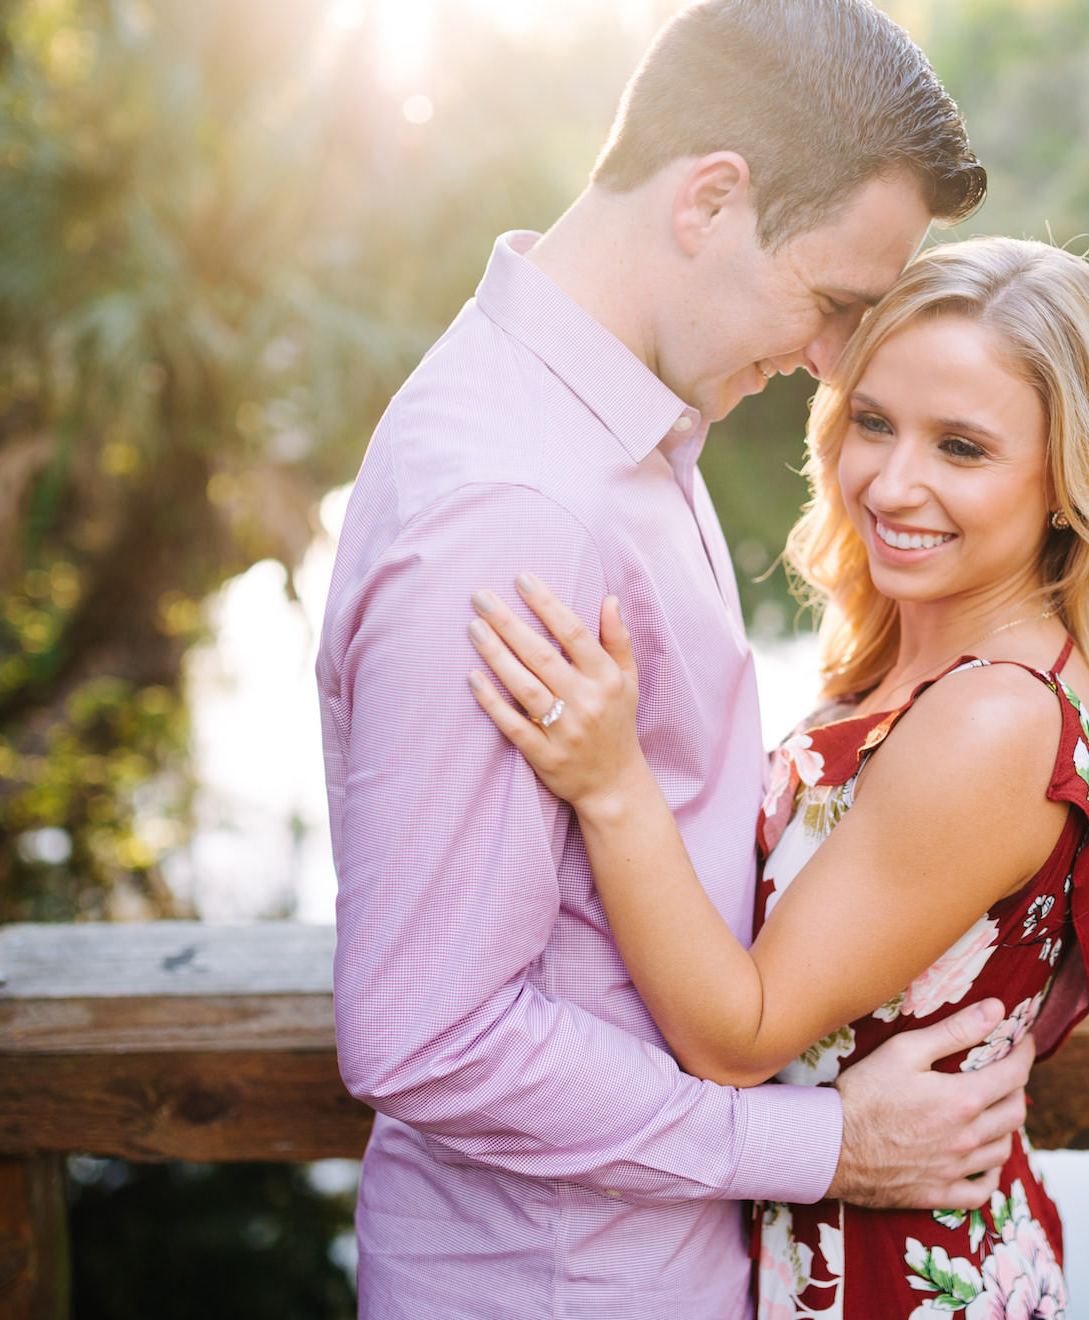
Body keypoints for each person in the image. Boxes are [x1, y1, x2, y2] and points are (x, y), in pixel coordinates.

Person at [317, 4, 1042, 1317]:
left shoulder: (621, 432)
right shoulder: (520, 510)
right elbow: (426, 1033)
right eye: (831, 303)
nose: (831, 362)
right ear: (711, 197)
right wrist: (825, 1146)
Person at [464, 235, 1089, 1316]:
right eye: (873, 421)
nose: (892, 482)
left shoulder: (993, 719)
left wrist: (611, 782)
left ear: (1064, 480)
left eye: (961, 446)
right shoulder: (957, 653)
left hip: (889, 1277)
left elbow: (739, 1033)